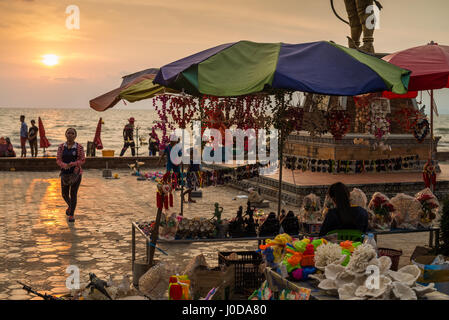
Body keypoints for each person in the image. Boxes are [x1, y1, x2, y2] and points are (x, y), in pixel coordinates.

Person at [56, 128, 85, 223]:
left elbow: (82, 160)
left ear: (75, 136)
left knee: (73, 194)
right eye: (68, 133)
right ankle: (70, 206)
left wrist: (73, 164)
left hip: (76, 173)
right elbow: (58, 159)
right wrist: (64, 165)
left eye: (72, 133)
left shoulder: (79, 147)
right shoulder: (61, 147)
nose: (70, 135)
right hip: (65, 173)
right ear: (65, 134)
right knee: (64, 194)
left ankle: (71, 214)